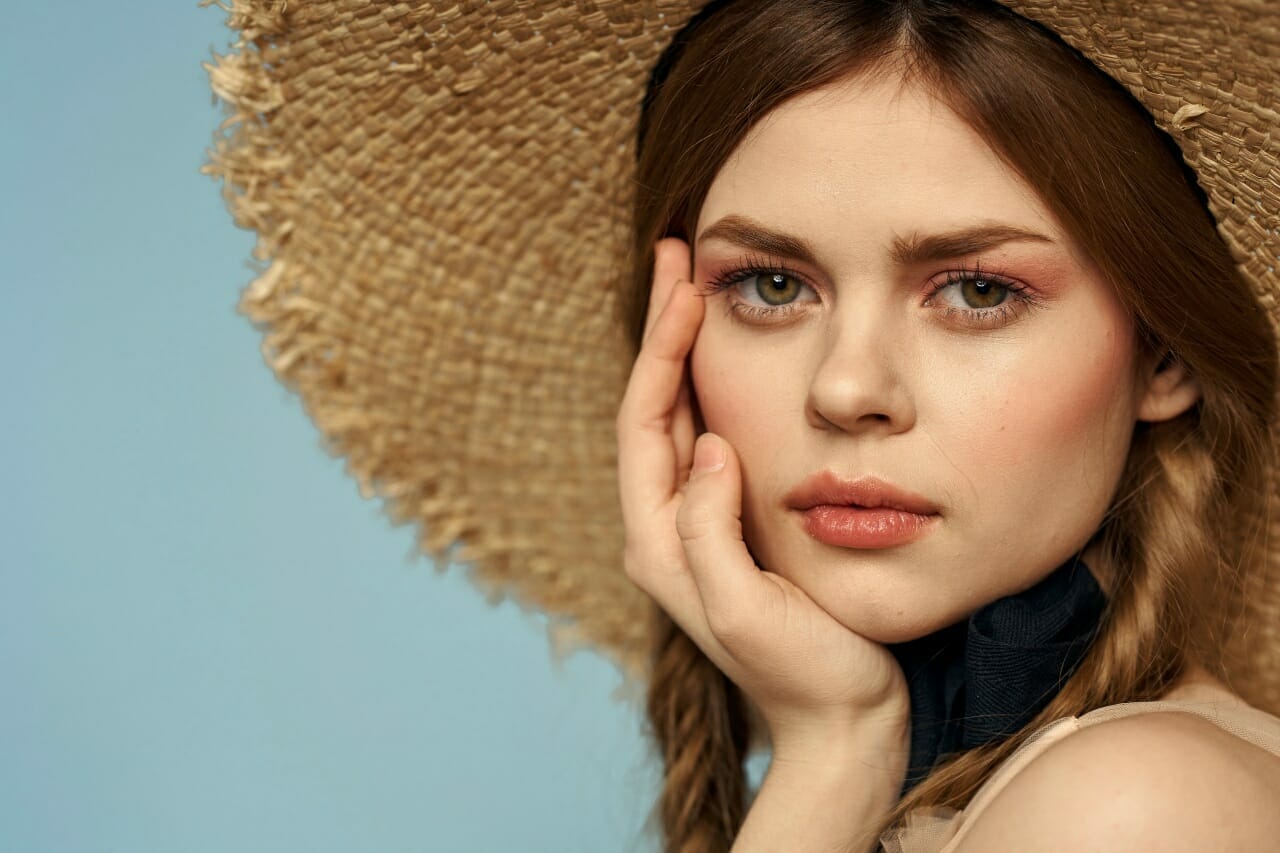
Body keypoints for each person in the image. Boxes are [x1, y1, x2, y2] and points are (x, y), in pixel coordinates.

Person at [202, 0, 1280, 850]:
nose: (846, 388)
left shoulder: (1130, 810)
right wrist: (838, 742)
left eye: (977, 290)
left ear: (1162, 349)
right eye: (770, 284)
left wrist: (831, 759)